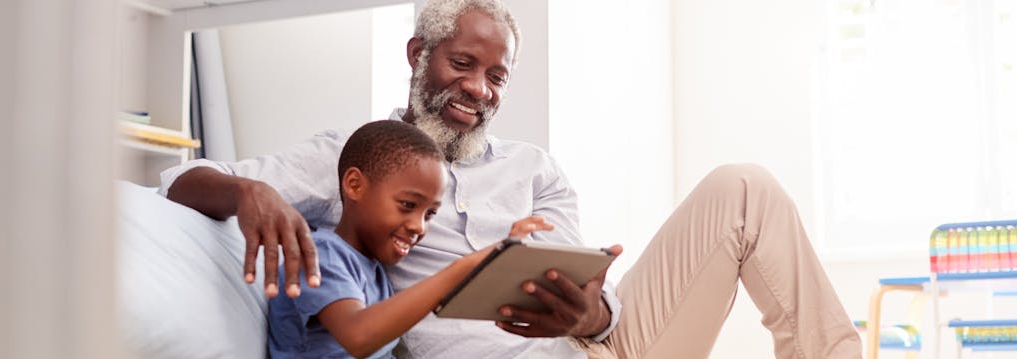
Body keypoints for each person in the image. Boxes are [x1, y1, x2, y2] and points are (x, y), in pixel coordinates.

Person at [160, 0, 862, 357]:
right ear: (418, 54)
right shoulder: (356, 157)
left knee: (744, 186)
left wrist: (593, 312)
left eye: (496, 75)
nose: (479, 88)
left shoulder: (536, 169)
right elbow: (180, 179)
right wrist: (247, 191)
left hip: (595, 350)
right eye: (461, 64)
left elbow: (595, 299)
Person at [267, 120, 557, 358]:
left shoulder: (374, 271)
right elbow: (359, 336)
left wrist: (506, 257)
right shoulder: (320, 255)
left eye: (429, 214)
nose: (419, 226)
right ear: (355, 185)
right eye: (407, 205)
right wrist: (463, 268)